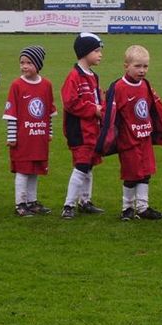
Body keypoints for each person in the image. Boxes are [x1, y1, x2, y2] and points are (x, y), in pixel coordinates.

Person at [106, 45, 162, 221]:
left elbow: (151, 108)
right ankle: (127, 208)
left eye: (145, 66)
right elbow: (110, 114)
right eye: (138, 66)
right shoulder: (118, 87)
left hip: (144, 137)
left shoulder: (146, 85)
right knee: (131, 174)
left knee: (145, 172)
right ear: (126, 66)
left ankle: (142, 207)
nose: (142, 71)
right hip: (128, 139)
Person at [3, 46, 56, 217]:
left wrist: (49, 132)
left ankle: (32, 202)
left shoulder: (46, 85)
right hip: (23, 139)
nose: (24, 66)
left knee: (35, 171)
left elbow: (48, 112)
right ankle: (20, 203)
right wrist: (11, 136)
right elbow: (11, 115)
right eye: (22, 62)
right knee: (23, 171)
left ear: (38, 65)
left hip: (39, 138)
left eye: (29, 63)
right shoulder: (16, 85)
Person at [61, 32, 105, 219]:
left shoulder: (93, 76)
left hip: (92, 129)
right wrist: (93, 109)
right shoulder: (73, 76)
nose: (100, 54)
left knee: (89, 165)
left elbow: (98, 99)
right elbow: (70, 102)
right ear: (85, 52)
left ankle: (84, 201)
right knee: (81, 165)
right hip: (79, 130)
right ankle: (68, 205)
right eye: (96, 51)